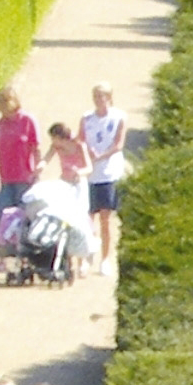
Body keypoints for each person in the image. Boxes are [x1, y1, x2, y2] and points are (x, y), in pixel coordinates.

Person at [79, 84, 128, 267]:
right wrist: (87, 152)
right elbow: (80, 140)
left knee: (105, 219)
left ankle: (105, 259)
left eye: (102, 96)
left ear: (109, 97)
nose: (99, 100)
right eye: (96, 96)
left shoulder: (119, 117)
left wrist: (101, 156)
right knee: (88, 218)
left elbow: (118, 144)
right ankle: (86, 257)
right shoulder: (86, 118)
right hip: (90, 174)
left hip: (109, 173)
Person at [0, 85, 40, 222]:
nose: (0, 106)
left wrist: (36, 173)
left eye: (3, 102)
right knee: (4, 218)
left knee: (25, 217)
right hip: (3, 179)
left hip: (24, 177)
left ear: (12, 101)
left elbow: (36, 149)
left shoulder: (27, 121)